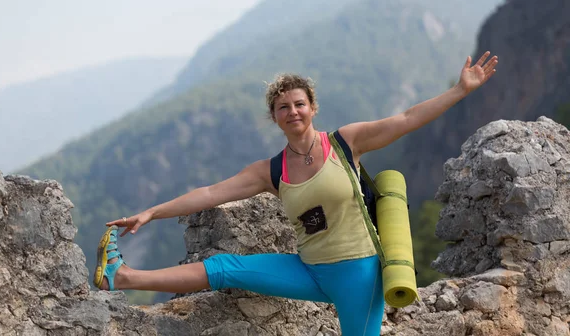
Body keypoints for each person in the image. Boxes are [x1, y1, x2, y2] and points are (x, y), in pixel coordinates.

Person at [93, 52, 498, 335]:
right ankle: (124, 276)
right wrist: (151, 212)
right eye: (283, 107)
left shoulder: (346, 143)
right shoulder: (272, 170)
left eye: (299, 104)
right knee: (224, 268)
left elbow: (406, 118)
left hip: (358, 273)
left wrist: (460, 90)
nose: (293, 112)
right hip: (307, 269)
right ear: (274, 117)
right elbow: (212, 192)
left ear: (313, 107)